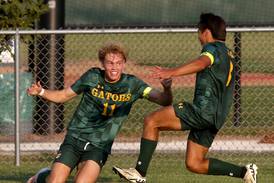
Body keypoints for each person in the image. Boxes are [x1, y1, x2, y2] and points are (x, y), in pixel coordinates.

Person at [112, 13, 258, 183]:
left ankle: (139, 171)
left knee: (152, 121)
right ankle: (244, 172)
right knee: (194, 163)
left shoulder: (211, 49)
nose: (198, 35)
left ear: (206, 31)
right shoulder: (228, 53)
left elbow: (203, 62)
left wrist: (171, 72)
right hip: (217, 117)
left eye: (199, 31)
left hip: (202, 111)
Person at [26, 42, 173, 183]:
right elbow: (63, 96)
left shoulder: (133, 84)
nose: (114, 67)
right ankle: (41, 177)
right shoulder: (92, 77)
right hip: (75, 138)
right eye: (110, 63)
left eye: (118, 63)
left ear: (123, 64)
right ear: (103, 63)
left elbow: (163, 100)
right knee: (55, 181)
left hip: (99, 146)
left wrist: (167, 89)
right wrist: (41, 92)